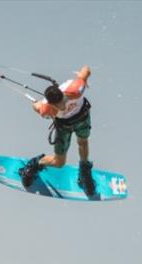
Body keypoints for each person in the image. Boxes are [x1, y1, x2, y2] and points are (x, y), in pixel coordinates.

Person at [19, 65, 95, 196]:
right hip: (63, 126)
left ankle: (84, 172)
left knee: (83, 142)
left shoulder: (75, 89)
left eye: (63, 100)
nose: (64, 104)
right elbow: (36, 107)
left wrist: (84, 76)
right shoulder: (46, 109)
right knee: (59, 162)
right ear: (51, 104)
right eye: (59, 105)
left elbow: (86, 70)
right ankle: (35, 164)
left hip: (82, 118)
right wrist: (37, 105)